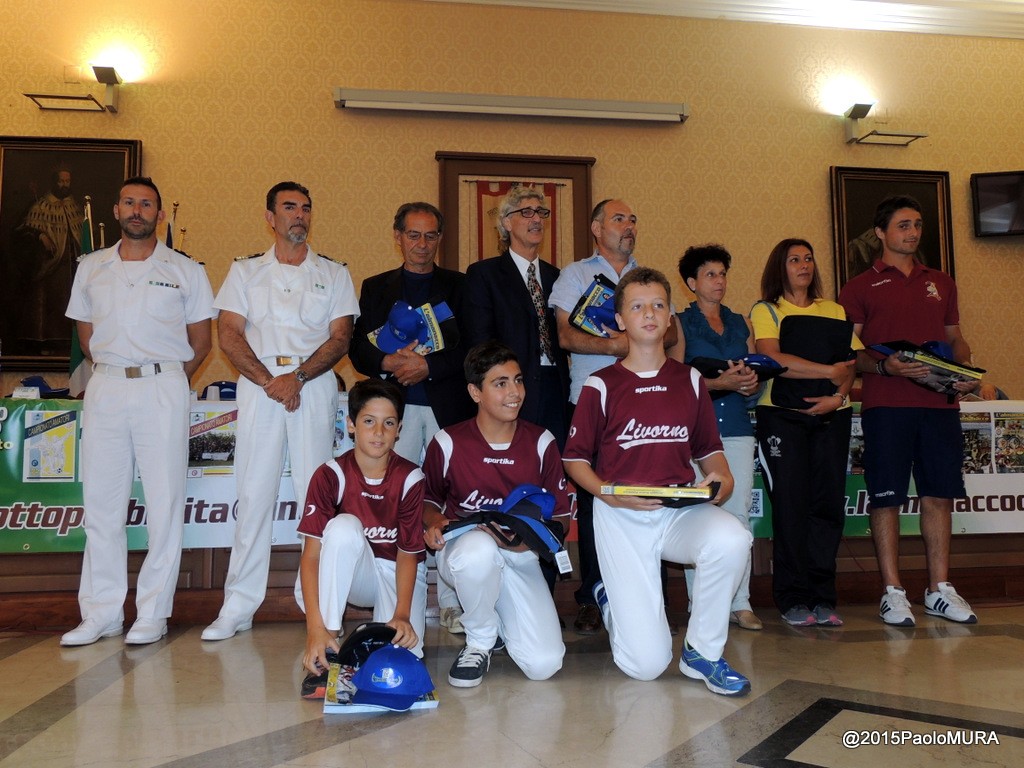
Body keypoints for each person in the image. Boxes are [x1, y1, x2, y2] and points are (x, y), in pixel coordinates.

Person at [563, 267, 752, 697]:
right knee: (646, 666)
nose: (648, 313)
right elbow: (574, 459)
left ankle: (702, 652)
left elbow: (709, 450)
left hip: (677, 511)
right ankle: (609, 599)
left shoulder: (689, 380)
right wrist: (608, 494)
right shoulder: (601, 384)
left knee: (732, 538)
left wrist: (722, 477)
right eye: (637, 306)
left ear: (669, 318)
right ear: (620, 320)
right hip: (621, 515)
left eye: (657, 305)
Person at [61, 176, 214, 646]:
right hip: (106, 386)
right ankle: (101, 613)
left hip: (162, 387)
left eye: (147, 204)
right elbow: (86, 335)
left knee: (164, 505)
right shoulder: (91, 267)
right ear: (116, 210)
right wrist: (115, 369)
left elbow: (201, 341)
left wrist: (168, 381)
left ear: (159, 214)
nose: (137, 210)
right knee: (101, 506)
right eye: (129, 202)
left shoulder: (185, 269)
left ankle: (152, 613)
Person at [203, 181, 359, 641]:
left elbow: (341, 338)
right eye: (289, 207)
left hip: (313, 386)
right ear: (270, 217)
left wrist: (299, 378)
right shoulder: (245, 270)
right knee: (254, 494)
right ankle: (238, 605)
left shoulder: (333, 273)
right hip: (260, 386)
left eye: (306, 208)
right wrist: (271, 381)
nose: (299, 215)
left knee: (317, 493)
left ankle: (316, 603)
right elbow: (228, 334)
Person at [839, 195, 980, 627]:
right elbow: (849, 352)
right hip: (887, 406)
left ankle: (939, 589)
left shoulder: (941, 282)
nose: (913, 232)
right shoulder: (858, 287)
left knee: (939, 495)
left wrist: (965, 369)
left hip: (939, 404)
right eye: (903, 225)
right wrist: (885, 366)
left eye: (917, 224)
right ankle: (893, 592)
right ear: (880, 233)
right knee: (887, 498)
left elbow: (955, 337)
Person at [549, 198, 684, 635]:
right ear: (596, 228)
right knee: (595, 501)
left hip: (649, 403)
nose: (629, 226)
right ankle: (593, 597)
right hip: (595, 400)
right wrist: (617, 346)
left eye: (633, 219)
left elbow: (672, 334)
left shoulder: (647, 279)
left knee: (652, 496)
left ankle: (654, 598)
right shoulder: (575, 274)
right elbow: (565, 335)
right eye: (619, 218)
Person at [348, 202, 474, 635]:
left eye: (431, 235)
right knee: (394, 498)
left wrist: (428, 367)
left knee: (450, 498)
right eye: (414, 235)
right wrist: (389, 360)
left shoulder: (459, 286)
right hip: (393, 412)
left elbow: (472, 347)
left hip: (448, 408)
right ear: (398, 236)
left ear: (440, 238)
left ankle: (453, 600)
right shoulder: (376, 286)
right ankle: (394, 597)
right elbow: (358, 349)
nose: (422, 244)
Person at [421, 341, 568, 688]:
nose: (514, 392)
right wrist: (433, 521)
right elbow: (427, 501)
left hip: (519, 553)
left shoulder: (541, 442)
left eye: (518, 380)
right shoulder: (448, 442)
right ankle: (480, 641)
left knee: (544, 664)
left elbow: (560, 516)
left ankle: (498, 620)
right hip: (464, 552)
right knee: (479, 549)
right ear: (476, 392)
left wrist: (524, 545)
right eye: (500, 383)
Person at [749, 239, 859, 627]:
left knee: (826, 508)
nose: (803, 265)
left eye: (808, 258)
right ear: (780, 267)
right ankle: (793, 598)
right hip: (782, 418)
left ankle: (822, 598)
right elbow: (773, 358)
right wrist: (829, 372)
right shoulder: (766, 309)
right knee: (791, 508)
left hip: (833, 416)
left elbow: (850, 363)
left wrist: (838, 396)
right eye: (794, 259)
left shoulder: (834, 310)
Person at [297, 379, 427, 698]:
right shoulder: (330, 475)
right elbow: (312, 556)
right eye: (369, 421)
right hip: (358, 572)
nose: (379, 432)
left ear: (399, 430)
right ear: (351, 425)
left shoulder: (410, 477)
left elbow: (408, 554)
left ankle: (377, 634)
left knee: (397, 660)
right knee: (343, 527)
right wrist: (315, 629)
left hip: (397, 573)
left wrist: (401, 615)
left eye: (389, 423)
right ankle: (327, 646)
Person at [677, 244, 762, 631]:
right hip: (696, 430)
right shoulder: (680, 323)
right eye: (710, 274)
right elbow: (677, 381)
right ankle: (700, 603)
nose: (719, 281)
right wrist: (717, 384)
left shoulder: (741, 322)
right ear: (692, 282)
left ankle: (741, 602)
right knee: (698, 514)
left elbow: (756, 373)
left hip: (739, 427)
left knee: (739, 514)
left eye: (722, 273)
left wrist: (751, 383)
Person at [464, 186, 570, 449]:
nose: (537, 219)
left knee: (553, 460)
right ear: (507, 223)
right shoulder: (484, 274)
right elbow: (481, 341)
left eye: (541, 212)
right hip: (511, 388)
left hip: (555, 387)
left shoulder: (557, 277)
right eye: (527, 212)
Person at [15, 167, 83, 353]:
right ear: (54, 182)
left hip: (71, 267)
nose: (64, 185)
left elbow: (80, 232)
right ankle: (46, 343)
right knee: (48, 305)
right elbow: (22, 231)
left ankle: (67, 343)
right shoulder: (41, 205)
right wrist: (40, 235)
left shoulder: (74, 205)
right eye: (61, 181)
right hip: (50, 266)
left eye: (67, 181)